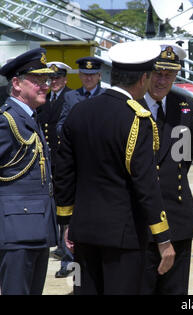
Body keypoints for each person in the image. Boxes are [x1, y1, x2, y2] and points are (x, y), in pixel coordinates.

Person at [53, 41, 175, 295]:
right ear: (143, 78)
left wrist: (66, 223)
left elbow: (64, 171)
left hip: (83, 230)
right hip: (123, 234)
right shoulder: (137, 118)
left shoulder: (79, 111)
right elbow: (145, 181)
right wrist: (162, 237)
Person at [139, 43, 193, 295]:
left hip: (177, 213)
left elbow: (185, 157)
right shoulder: (131, 105)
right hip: (140, 216)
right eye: (158, 73)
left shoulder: (184, 105)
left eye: (169, 74)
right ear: (147, 74)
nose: (163, 80)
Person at [0, 48, 58, 295]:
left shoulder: (30, 118)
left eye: (45, 80)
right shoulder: (6, 121)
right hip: (15, 231)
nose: (44, 85)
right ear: (16, 84)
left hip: (36, 228)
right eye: (36, 80)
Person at [36, 61, 73, 277]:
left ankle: (65, 246)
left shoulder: (70, 98)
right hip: (47, 160)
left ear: (65, 80)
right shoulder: (44, 100)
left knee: (65, 205)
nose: (54, 82)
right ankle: (58, 243)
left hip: (63, 160)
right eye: (51, 79)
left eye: (58, 78)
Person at [56, 56, 105, 135]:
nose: (88, 78)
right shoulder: (70, 97)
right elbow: (60, 126)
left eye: (92, 75)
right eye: (85, 74)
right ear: (79, 75)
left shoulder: (106, 96)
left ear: (99, 76)